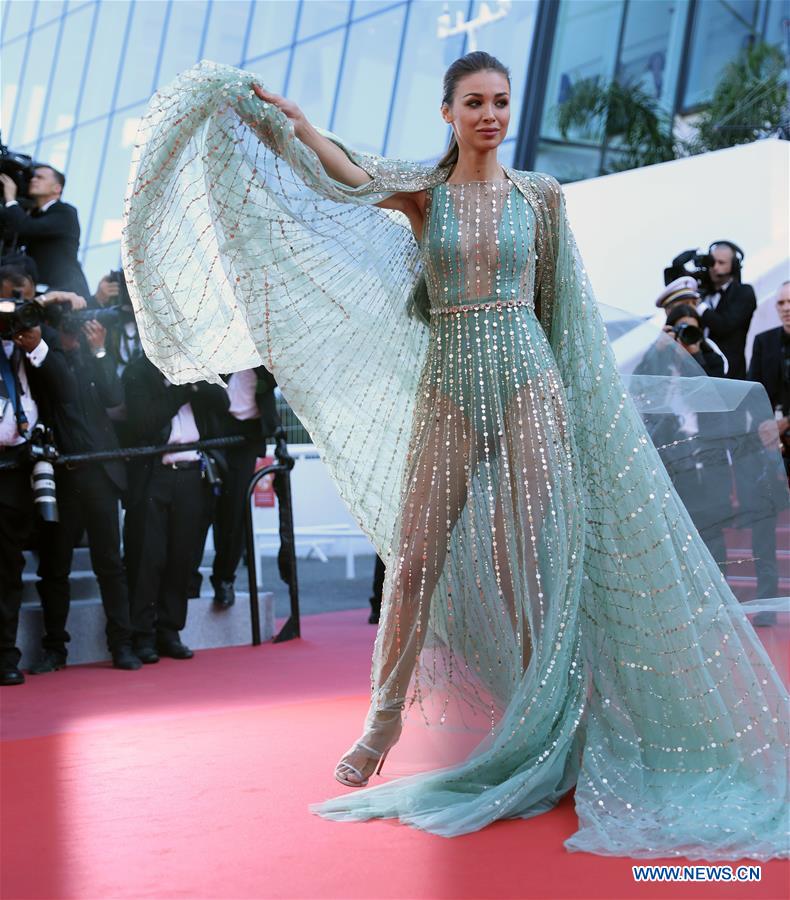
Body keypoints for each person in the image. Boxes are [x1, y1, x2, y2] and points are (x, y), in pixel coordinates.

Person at [123, 55, 788, 859]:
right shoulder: (424, 193)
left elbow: (558, 312)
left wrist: (570, 401)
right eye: (475, 102)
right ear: (448, 111)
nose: (491, 115)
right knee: (414, 559)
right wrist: (285, 118)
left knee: (530, 559)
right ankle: (384, 719)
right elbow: (342, 171)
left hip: (528, 379)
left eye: (502, 102)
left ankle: (552, 716)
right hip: (450, 381)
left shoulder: (540, 198)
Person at [29, 311, 139, 674]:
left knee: (110, 563)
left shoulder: (93, 359)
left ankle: (121, 645)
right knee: (54, 567)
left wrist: (99, 351)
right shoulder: (45, 361)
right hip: (61, 479)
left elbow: (113, 397)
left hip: (100, 476)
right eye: (64, 327)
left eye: (74, 326)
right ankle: (55, 649)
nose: (71, 332)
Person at [123, 353, 229, 662]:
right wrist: (181, 389)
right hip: (155, 473)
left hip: (191, 474)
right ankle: (142, 634)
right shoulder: (138, 371)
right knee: (147, 557)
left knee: (182, 556)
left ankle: (170, 629)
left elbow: (222, 401)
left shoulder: (194, 365)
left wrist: (193, 378)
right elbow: (144, 421)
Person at [0, 318, 73, 685]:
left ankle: (5, 658)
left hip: (18, 467)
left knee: (8, 569)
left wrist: (35, 345)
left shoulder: (37, 340)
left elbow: (65, 392)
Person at [746, 280, 790, 625]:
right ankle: (768, 603)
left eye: (789, 302)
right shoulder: (765, 342)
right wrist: (765, 428)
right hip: (768, 450)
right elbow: (752, 390)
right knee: (762, 527)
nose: (785, 307)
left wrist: (784, 424)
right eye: (780, 303)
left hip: (781, 436)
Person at [0, 166, 91, 298]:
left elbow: (27, 227)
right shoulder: (35, 214)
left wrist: (10, 198)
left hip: (68, 292)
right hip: (42, 292)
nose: (33, 180)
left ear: (57, 188)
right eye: (33, 177)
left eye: (40, 177)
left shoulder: (65, 212)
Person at [696, 242, 755, 379]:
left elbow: (724, 325)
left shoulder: (743, 292)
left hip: (730, 375)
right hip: (701, 373)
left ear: (734, 265)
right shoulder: (703, 294)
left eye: (721, 263)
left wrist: (698, 306)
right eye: (712, 262)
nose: (715, 267)